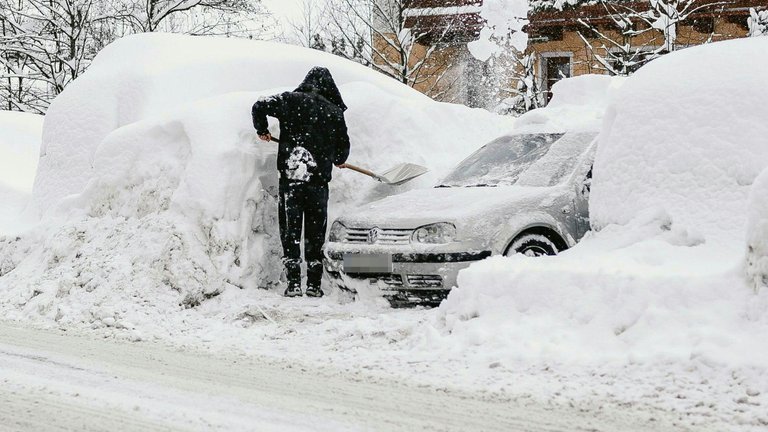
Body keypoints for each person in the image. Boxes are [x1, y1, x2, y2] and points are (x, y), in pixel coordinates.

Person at [252, 67, 351, 298]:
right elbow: (342, 151)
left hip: (292, 179)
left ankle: (294, 283)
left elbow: (259, 105)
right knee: (315, 233)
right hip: (318, 184)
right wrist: (336, 158)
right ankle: (314, 285)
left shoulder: (290, 100)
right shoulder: (334, 111)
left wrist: (262, 129)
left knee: (291, 231)